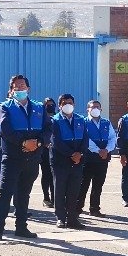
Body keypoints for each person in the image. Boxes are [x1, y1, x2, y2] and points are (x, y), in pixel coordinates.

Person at [0, 74, 51, 241]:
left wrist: (38, 143)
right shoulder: (5, 107)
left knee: (24, 193)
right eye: (16, 87)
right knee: (5, 193)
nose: (20, 89)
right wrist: (23, 143)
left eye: (23, 86)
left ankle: (21, 227)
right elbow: (4, 129)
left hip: (33, 157)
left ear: (28, 88)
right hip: (12, 157)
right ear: (11, 90)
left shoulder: (38, 107)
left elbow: (48, 129)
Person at [50, 93, 87, 229]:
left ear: (74, 104)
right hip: (61, 160)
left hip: (77, 161)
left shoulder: (80, 120)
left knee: (74, 190)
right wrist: (71, 154)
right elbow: (56, 142)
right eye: (64, 103)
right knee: (60, 189)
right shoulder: (54, 120)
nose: (68, 105)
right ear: (60, 106)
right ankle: (60, 217)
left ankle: (72, 218)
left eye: (70, 103)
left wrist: (80, 154)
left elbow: (85, 139)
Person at [79, 98, 115, 217]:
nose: (95, 109)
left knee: (98, 185)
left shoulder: (106, 122)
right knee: (83, 184)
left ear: (101, 109)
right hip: (88, 158)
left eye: (97, 107)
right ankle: (78, 207)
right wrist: (98, 150)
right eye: (92, 107)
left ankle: (94, 208)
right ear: (87, 109)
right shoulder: (83, 122)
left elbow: (112, 138)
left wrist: (107, 150)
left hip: (103, 159)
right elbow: (85, 139)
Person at [39, 96, 58, 207]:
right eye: (47, 104)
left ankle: (55, 198)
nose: (50, 106)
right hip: (44, 150)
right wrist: (45, 142)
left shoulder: (58, 117)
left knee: (54, 175)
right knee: (46, 174)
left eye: (52, 104)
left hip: (56, 150)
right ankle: (46, 198)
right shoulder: (40, 118)